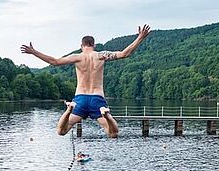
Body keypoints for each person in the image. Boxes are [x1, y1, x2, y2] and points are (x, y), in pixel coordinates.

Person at [22, 25, 152, 138]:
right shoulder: (101, 55)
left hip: (80, 99)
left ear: (81, 46)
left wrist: (34, 52)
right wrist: (140, 37)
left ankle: (68, 110)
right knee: (113, 134)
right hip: (97, 99)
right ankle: (106, 115)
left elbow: (54, 62)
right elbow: (124, 53)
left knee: (61, 131)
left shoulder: (77, 57)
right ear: (94, 45)